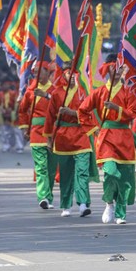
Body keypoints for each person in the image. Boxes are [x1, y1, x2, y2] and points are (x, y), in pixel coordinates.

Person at [79, 55, 136, 225]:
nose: (118, 71)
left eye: (120, 68)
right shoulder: (99, 93)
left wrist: (116, 108)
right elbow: (82, 110)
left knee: (125, 177)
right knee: (111, 172)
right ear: (108, 69)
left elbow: (134, 112)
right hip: (106, 138)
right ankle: (108, 203)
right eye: (114, 68)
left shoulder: (128, 92)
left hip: (125, 138)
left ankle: (121, 213)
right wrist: (94, 129)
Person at [45, 62, 95, 218]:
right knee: (66, 173)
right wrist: (48, 138)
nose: (72, 77)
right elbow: (50, 116)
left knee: (82, 172)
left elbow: (88, 115)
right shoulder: (57, 93)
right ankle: (66, 205)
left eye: (74, 74)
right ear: (63, 75)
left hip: (81, 135)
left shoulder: (83, 93)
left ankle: (83, 203)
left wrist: (72, 113)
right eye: (68, 74)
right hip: (63, 137)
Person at [18, 62, 58, 209]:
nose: (37, 74)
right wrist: (24, 128)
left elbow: (59, 105)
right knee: (41, 167)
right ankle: (43, 196)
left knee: (52, 168)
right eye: (35, 72)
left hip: (52, 132)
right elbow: (22, 110)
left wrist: (46, 96)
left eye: (41, 72)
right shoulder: (30, 92)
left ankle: (49, 195)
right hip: (36, 131)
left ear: (48, 73)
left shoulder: (55, 91)